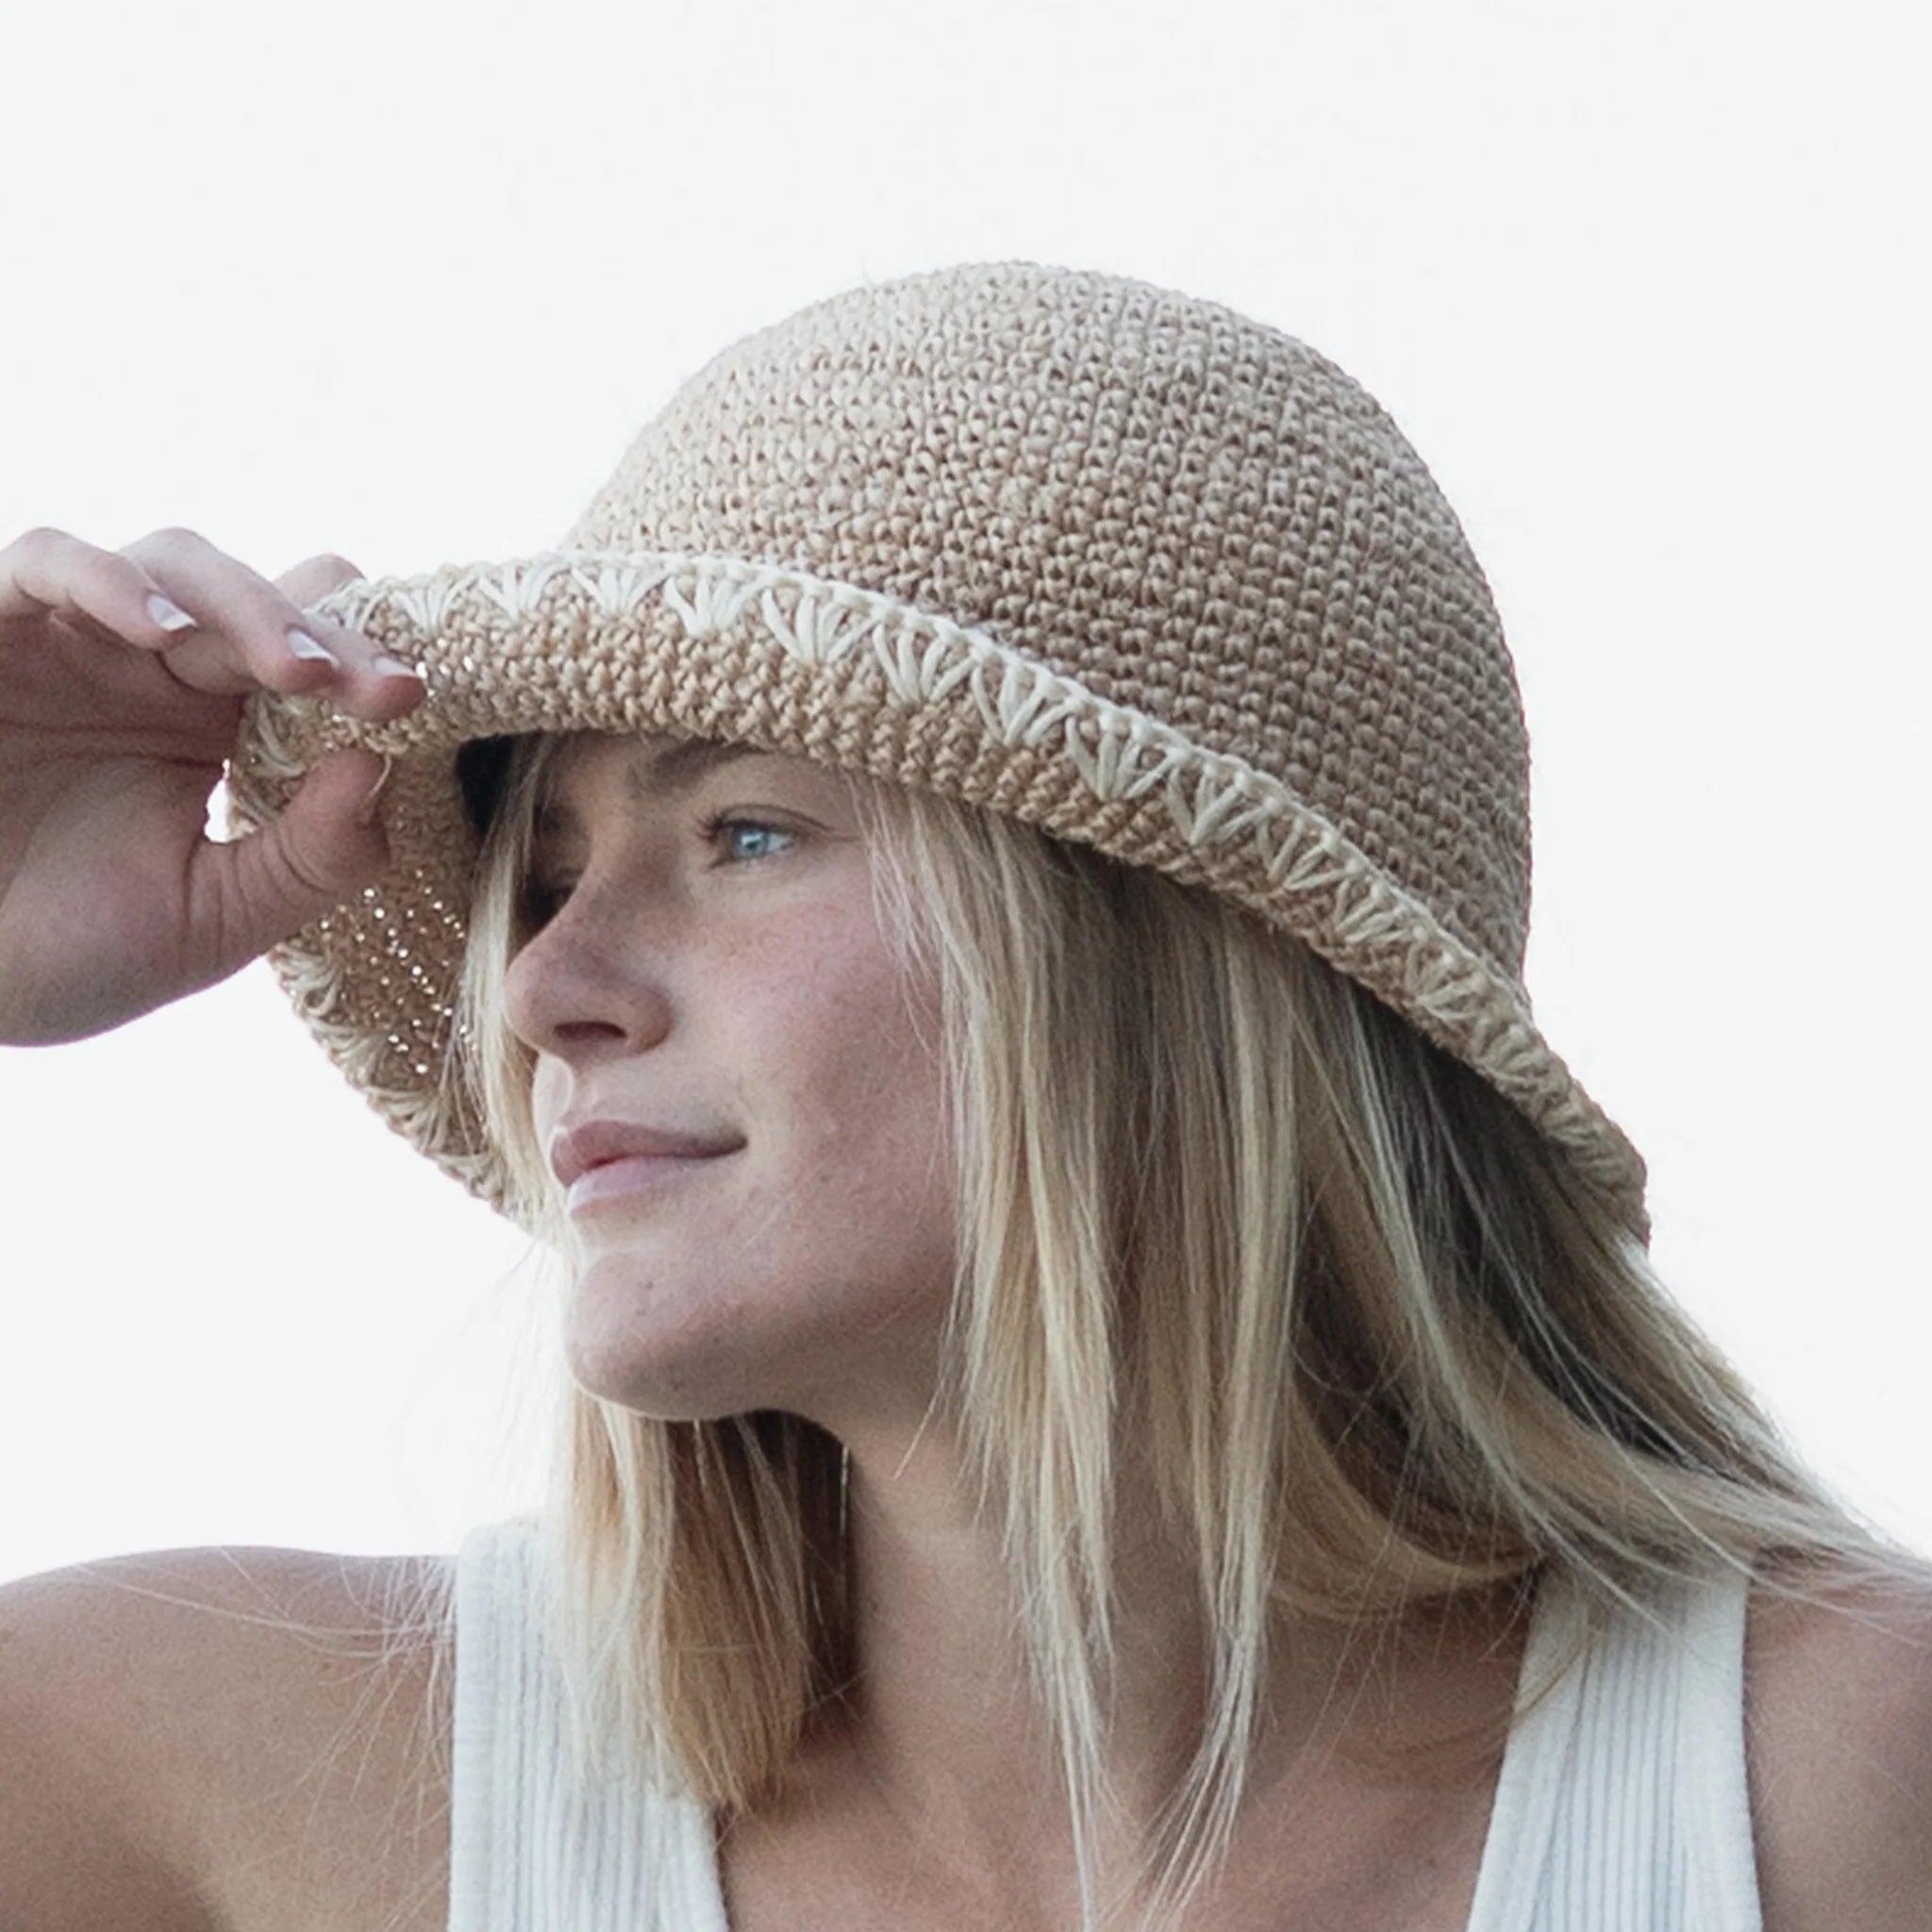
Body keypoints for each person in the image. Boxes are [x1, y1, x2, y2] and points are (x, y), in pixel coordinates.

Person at [1, 261, 1927, 1932]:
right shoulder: (229, 1791)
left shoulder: (1824, 1790)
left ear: (1168, 962)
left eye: (744, 831)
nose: (544, 988)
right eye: (555, 862)